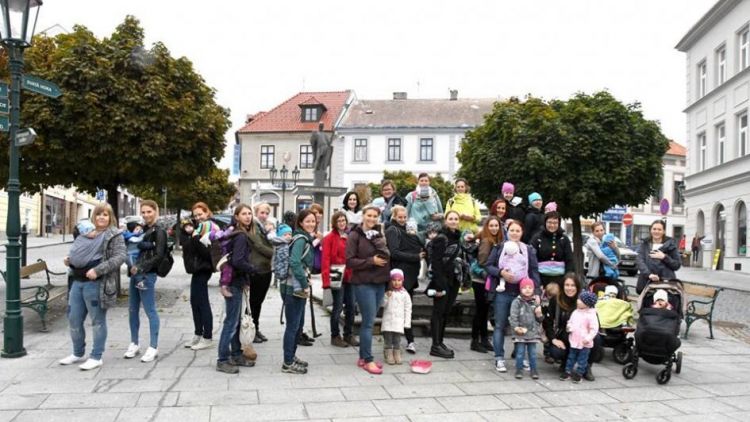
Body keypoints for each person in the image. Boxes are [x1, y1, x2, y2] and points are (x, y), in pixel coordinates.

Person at [59, 204, 126, 370]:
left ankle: (96, 356)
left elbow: (120, 257)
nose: (101, 217)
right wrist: (69, 259)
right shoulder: (86, 232)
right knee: (74, 319)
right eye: (98, 214)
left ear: (110, 217)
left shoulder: (114, 235)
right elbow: (78, 250)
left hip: (96, 283)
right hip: (77, 281)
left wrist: (98, 270)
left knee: (97, 321)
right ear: (93, 217)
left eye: (105, 215)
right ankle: (77, 352)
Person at [485, 219, 541, 373]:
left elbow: (534, 271)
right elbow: (489, 266)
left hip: (522, 294)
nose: (515, 233)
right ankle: (499, 358)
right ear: (507, 232)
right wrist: (501, 272)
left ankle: (520, 356)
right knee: (500, 325)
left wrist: (536, 291)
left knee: (522, 325)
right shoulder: (499, 247)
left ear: (522, 233)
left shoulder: (528, 250)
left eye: (518, 230)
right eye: (512, 230)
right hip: (502, 292)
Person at [346, 204, 390, 374]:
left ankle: (363, 357)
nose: (372, 219)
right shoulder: (354, 235)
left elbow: (386, 257)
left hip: (379, 282)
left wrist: (388, 283)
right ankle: (368, 360)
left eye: (375, 216)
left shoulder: (378, 234)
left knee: (369, 322)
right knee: (368, 323)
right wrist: (371, 261)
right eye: (369, 215)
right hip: (364, 283)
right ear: (363, 216)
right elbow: (350, 261)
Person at [216, 204, 257, 374]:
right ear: (237, 216)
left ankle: (236, 354)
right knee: (231, 323)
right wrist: (252, 270)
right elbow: (238, 261)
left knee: (237, 321)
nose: (248, 216)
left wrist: (246, 279)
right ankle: (223, 359)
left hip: (237, 281)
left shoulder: (239, 233)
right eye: (244, 214)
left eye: (249, 213)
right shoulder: (240, 236)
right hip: (233, 282)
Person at [124, 200, 167, 363]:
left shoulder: (159, 231)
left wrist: (141, 267)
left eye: (149, 211)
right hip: (135, 273)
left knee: (150, 310)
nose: (146, 215)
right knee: (132, 310)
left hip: (146, 274)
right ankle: (134, 343)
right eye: (143, 212)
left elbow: (159, 255)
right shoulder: (142, 229)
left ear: (156, 211)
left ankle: (153, 347)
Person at [280, 210, 316, 374]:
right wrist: (304, 283)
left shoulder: (302, 237)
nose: (311, 224)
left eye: (313, 221)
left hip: (293, 287)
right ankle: (287, 362)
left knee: (297, 325)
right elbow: (294, 262)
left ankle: (291, 356)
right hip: (293, 288)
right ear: (300, 222)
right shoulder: (301, 239)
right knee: (293, 326)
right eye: (307, 221)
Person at [543, 273, 598, 381]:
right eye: (567, 285)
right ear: (562, 286)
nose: (569, 288)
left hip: (583, 336)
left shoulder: (585, 299)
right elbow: (548, 322)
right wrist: (553, 339)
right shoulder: (556, 299)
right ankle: (566, 363)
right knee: (556, 351)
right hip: (564, 335)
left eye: (573, 285)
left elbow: (595, 323)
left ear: (577, 287)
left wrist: (589, 336)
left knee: (597, 339)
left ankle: (586, 366)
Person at [385, 205, 424, 354]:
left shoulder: (408, 229)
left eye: (404, 217)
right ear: (394, 216)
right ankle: (399, 342)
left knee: (407, 309)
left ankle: (409, 341)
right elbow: (394, 253)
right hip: (400, 276)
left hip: (410, 275)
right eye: (400, 217)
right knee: (397, 310)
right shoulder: (392, 230)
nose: (402, 219)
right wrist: (415, 257)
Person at [180, 202, 217, 351]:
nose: (198, 218)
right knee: (195, 302)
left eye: (200, 214)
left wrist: (194, 238)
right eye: (195, 215)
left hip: (204, 268)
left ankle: (207, 337)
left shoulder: (209, 227)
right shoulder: (197, 228)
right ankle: (198, 333)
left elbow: (207, 252)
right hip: (196, 269)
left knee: (202, 302)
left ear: (207, 213)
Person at [427, 210, 464, 359]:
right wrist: (440, 284)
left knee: (445, 312)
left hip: (453, 279)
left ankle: (440, 342)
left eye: (456, 218)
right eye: (451, 219)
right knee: (438, 312)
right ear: (446, 221)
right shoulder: (442, 238)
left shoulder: (457, 236)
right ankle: (435, 345)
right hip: (441, 280)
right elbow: (435, 262)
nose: (454, 221)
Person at [322, 211, 357, 348]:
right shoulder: (329, 238)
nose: (342, 223)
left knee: (351, 306)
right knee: (337, 307)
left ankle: (348, 334)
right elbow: (325, 259)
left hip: (350, 275)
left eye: (344, 220)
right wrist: (326, 281)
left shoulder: (350, 236)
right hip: (337, 275)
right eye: (339, 221)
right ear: (334, 223)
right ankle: (335, 336)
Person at [472, 216, 503, 353]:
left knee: (485, 311)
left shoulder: (497, 240)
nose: (494, 228)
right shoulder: (486, 241)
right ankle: (475, 340)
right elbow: (482, 262)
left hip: (488, 279)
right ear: (486, 227)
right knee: (480, 311)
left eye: (496, 226)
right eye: (491, 226)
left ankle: (484, 339)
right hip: (481, 280)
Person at [246, 202, 275, 343]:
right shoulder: (254, 226)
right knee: (253, 302)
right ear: (256, 212)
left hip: (265, 268)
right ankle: (250, 330)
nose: (264, 215)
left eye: (266, 213)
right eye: (261, 212)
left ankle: (255, 328)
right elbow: (258, 245)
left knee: (258, 302)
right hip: (257, 267)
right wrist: (274, 253)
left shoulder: (264, 227)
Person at [560, 291, 599, 383]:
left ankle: (579, 373)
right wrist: (569, 327)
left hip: (584, 343)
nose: (577, 301)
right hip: (574, 340)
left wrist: (588, 338)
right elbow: (570, 321)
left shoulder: (591, 315)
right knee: (571, 357)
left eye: (580, 300)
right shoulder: (575, 312)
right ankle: (567, 371)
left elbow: (594, 329)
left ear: (587, 303)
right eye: (578, 299)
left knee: (582, 360)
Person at [529, 211, 574, 290]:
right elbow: (532, 259)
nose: (552, 225)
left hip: (560, 278)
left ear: (559, 223)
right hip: (541, 278)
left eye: (555, 223)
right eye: (549, 222)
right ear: (545, 222)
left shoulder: (564, 239)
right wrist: (536, 280)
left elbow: (569, 260)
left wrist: (567, 278)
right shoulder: (537, 238)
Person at [509, 277, 543, 379]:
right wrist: (515, 327)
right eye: (524, 287)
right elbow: (513, 316)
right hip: (520, 332)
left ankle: (534, 370)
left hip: (532, 332)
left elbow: (540, 320)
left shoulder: (536, 302)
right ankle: (519, 369)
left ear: (533, 289)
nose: (527, 289)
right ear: (520, 289)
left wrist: (539, 314)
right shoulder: (516, 302)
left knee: (532, 353)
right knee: (520, 353)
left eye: (530, 287)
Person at [635, 219, 682, 294]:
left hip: (665, 283)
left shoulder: (671, 245)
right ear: (650, 230)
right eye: (654, 229)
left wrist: (664, 257)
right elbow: (640, 261)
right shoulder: (644, 244)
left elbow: (677, 265)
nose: (656, 231)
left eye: (659, 229)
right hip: (647, 282)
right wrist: (649, 274)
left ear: (664, 231)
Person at [381, 269, 413, 365]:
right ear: (390, 281)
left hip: (399, 322)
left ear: (402, 281)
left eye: (399, 280)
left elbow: (408, 309)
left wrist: (407, 322)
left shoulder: (405, 294)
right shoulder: (388, 292)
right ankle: (388, 352)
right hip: (388, 320)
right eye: (394, 280)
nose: (396, 282)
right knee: (388, 338)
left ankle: (397, 352)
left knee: (397, 339)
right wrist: (386, 297)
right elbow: (382, 305)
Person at [123, 220, 146, 289]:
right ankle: (139, 283)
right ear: (132, 230)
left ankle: (140, 282)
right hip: (130, 257)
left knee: (137, 270)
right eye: (137, 229)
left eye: (140, 229)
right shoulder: (130, 237)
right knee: (135, 270)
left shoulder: (135, 235)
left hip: (135, 256)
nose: (140, 230)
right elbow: (137, 240)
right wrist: (143, 235)